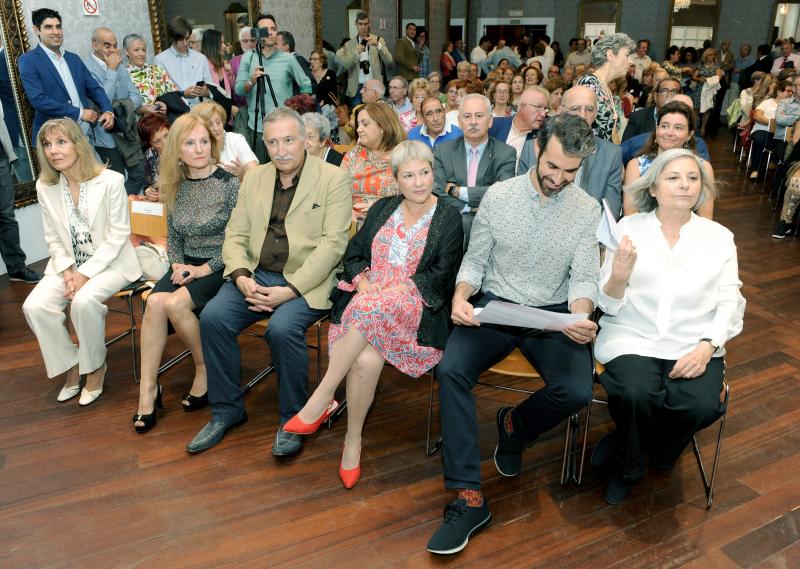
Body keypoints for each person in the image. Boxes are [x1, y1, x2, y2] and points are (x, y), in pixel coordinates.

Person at [426, 114, 599, 555]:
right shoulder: (500, 197)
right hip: (497, 305)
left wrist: (579, 316)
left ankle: (514, 426)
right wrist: (461, 298)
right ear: (537, 151)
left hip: (552, 313)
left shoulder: (587, 209)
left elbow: (583, 278)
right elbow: (474, 261)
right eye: (553, 167)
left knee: (577, 390)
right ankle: (468, 497)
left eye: (570, 172)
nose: (559, 178)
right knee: (451, 370)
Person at [284, 141, 464, 487]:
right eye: (409, 175)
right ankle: (353, 441)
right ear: (396, 180)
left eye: (424, 172)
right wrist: (364, 281)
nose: (418, 182)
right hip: (370, 301)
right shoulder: (383, 208)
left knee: (367, 311)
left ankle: (321, 398)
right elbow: (354, 254)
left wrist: (394, 292)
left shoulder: (448, 215)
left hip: (415, 306)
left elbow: (441, 276)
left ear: (433, 173)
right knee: (365, 360)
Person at [186, 106, 351, 457]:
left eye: (289, 140)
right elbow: (236, 233)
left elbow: (333, 245)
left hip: (307, 279)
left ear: (305, 140)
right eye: (273, 142)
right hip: (256, 273)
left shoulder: (332, 178)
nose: (282, 150)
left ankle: (294, 417)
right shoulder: (256, 178)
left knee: (281, 328)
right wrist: (241, 276)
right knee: (213, 318)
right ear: (265, 144)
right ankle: (227, 411)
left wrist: (289, 291)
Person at [594, 148, 745, 504]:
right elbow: (607, 302)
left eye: (693, 179)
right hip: (632, 334)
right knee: (635, 393)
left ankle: (646, 443)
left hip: (692, 340)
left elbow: (730, 301)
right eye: (673, 178)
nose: (684, 185)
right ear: (654, 188)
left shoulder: (719, 237)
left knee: (700, 406)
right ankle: (629, 466)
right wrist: (618, 275)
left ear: (701, 189)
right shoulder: (629, 229)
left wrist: (708, 346)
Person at [133, 114, 240, 433]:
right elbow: (174, 233)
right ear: (177, 151)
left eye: (204, 141)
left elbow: (238, 239)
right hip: (185, 264)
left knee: (174, 304)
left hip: (220, 266)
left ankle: (203, 367)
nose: (198, 149)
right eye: (190, 143)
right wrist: (178, 265)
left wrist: (200, 269)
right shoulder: (175, 185)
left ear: (213, 144)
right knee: (153, 303)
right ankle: (148, 390)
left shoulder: (229, 184)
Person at [22, 118, 141, 405]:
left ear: (78, 144)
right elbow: (52, 238)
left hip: (113, 263)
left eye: (61, 142)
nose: (53, 150)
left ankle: (96, 367)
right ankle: (71, 364)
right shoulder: (45, 186)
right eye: (47, 145)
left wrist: (84, 275)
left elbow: (118, 237)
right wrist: (68, 273)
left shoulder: (111, 181)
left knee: (84, 301)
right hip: (68, 266)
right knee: (34, 306)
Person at [518, 85, 623, 218]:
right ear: (560, 111)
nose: (583, 116)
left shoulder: (611, 154)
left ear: (596, 113)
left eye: (589, 109)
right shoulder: (532, 147)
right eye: (575, 109)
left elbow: (609, 215)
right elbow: (521, 200)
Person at [19, 8, 114, 143]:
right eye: (48, 27)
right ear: (36, 30)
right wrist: (80, 113)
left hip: (84, 134)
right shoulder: (28, 60)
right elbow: (38, 99)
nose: (56, 32)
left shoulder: (73, 58)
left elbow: (94, 89)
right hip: (54, 139)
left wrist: (108, 110)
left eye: (58, 27)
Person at [432, 93, 517, 243]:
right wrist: (469, 208)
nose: (473, 122)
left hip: (491, 226)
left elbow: (503, 193)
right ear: (459, 121)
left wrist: (457, 191)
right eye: (467, 116)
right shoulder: (442, 151)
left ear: (490, 120)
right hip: (451, 226)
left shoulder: (506, 153)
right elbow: (437, 191)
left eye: (479, 116)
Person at [234, 14, 312, 162]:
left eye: (273, 29)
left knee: (286, 168)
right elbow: (238, 90)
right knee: (261, 172)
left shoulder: (288, 59)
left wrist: (299, 110)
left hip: (284, 128)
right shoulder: (248, 58)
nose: (270, 32)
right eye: (265, 29)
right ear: (257, 33)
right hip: (257, 128)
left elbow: (306, 85)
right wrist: (251, 81)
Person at [623, 100, 715, 219]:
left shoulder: (702, 168)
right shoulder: (637, 166)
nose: (669, 133)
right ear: (657, 129)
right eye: (664, 126)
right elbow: (630, 217)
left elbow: (706, 219)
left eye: (678, 128)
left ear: (689, 134)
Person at [85, 27, 145, 196]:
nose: (112, 50)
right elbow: (101, 100)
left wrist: (120, 108)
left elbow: (136, 97)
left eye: (114, 45)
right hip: (106, 137)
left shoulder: (119, 66)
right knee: (116, 181)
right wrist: (111, 71)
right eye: (107, 45)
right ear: (94, 45)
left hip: (126, 131)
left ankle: (123, 207)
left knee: (139, 173)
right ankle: (118, 213)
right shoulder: (87, 69)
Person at [342, 102, 406, 221]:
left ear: (383, 126)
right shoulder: (354, 154)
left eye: (365, 124)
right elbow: (336, 190)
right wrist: (347, 212)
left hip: (391, 223)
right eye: (358, 124)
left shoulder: (406, 157)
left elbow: (418, 197)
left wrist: (378, 209)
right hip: (352, 222)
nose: (359, 129)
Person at [576, 33, 635, 142]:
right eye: (627, 55)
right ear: (610, 55)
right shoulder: (589, 83)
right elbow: (578, 130)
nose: (631, 61)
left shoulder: (604, 87)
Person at [190, 101, 258, 181]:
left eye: (218, 122)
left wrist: (243, 175)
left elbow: (255, 173)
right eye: (210, 124)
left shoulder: (235, 139)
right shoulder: (196, 148)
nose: (216, 128)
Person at [153, 17, 211, 109]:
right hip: (174, 112)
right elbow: (161, 95)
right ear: (173, 38)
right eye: (180, 39)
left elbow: (211, 88)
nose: (185, 43)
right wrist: (183, 94)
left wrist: (205, 91)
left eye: (187, 38)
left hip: (199, 111)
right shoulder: (160, 60)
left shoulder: (201, 58)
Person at [338, 12, 392, 106]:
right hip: (357, 88)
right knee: (357, 116)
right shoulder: (349, 44)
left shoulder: (379, 40)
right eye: (360, 24)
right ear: (356, 24)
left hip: (374, 87)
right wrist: (356, 53)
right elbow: (346, 66)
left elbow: (389, 61)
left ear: (369, 24)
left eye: (365, 24)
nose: (363, 27)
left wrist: (378, 46)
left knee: (377, 115)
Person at [748, 78, 794, 180]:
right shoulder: (768, 102)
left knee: (785, 149)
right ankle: (755, 169)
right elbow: (757, 116)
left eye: (792, 92)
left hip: (780, 134)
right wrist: (774, 123)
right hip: (762, 129)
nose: (790, 94)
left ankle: (778, 176)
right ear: (778, 92)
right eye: (788, 91)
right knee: (760, 139)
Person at [489, 86, 549, 160]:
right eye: (538, 107)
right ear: (523, 107)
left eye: (545, 109)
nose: (543, 114)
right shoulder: (494, 125)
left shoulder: (544, 136)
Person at [122, 34, 175, 115]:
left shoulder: (157, 70)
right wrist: (140, 110)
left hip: (162, 122)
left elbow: (174, 94)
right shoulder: (123, 75)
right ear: (126, 51)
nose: (142, 54)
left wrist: (166, 106)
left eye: (143, 50)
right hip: (139, 125)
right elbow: (122, 106)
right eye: (136, 50)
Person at [623, 77, 681, 142]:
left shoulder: (685, 119)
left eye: (674, 92)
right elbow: (625, 147)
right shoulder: (638, 117)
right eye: (664, 91)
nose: (669, 95)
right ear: (655, 96)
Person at [691, 48, 724, 136]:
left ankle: (703, 128)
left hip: (710, 90)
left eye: (714, 55)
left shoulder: (717, 66)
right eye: (710, 55)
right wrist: (699, 79)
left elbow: (719, 78)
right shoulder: (700, 65)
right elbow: (693, 77)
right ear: (706, 55)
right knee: (696, 108)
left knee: (707, 109)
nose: (712, 56)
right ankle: (694, 126)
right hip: (699, 89)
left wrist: (707, 80)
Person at [137, 112, 170, 201]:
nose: (166, 143)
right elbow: (149, 183)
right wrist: (148, 191)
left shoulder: (185, 151)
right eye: (157, 141)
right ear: (150, 144)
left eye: (167, 136)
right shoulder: (149, 155)